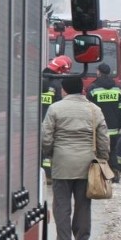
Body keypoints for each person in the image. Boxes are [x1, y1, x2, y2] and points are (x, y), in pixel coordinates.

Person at [41, 76, 110, 240]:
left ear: (64, 90)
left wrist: (49, 153)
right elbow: (103, 138)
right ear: (81, 89)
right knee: (83, 206)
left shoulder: (55, 109)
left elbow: (46, 137)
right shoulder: (94, 110)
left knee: (61, 206)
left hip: (62, 164)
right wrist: (103, 157)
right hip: (87, 165)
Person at [86, 63, 121, 182]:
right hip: (114, 128)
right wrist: (118, 125)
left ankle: (98, 176)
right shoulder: (117, 88)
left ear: (99, 72)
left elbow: (88, 109)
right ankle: (115, 173)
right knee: (113, 150)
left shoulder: (93, 88)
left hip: (98, 128)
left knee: (97, 151)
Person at [41, 55, 72, 184]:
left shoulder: (40, 80)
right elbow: (61, 104)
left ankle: (44, 173)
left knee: (41, 149)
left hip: (37, 120)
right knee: (50, 149)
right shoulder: (58, 85)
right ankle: (50, 175)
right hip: (52, 121)